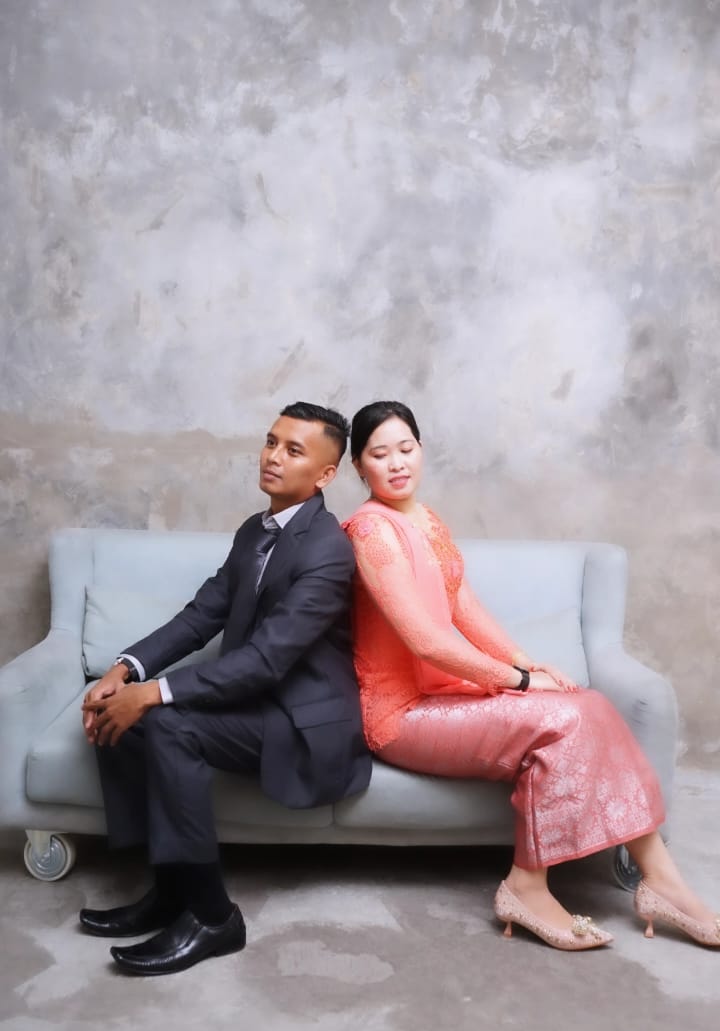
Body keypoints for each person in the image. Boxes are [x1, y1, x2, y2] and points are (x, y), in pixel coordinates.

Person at [343, 400, 719, 952]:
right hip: (401, 715)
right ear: (358, 466)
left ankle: (663, 882)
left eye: (406, 448)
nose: (397, 463)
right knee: (563, 722)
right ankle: (526, 886)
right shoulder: (371, 531)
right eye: (380, 454)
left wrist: (526, 661)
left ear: (421, 450)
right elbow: (425, 640)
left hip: (445, 695)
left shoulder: (425, 519)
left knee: (589, 703)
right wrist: (516, 682)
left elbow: (463, 607)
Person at [81, 401, 371, 976]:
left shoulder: (328, 550)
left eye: (293, 450)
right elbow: (201, 616)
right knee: (125, 715)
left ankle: (215, 917)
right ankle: (171, 890)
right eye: (271, 441)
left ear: (325, 474)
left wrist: (155, 693)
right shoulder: (254, 531)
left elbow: (266, 660)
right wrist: (125, 670)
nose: (272, 456)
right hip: (253, 702)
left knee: (167, 721)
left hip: (301, 724)